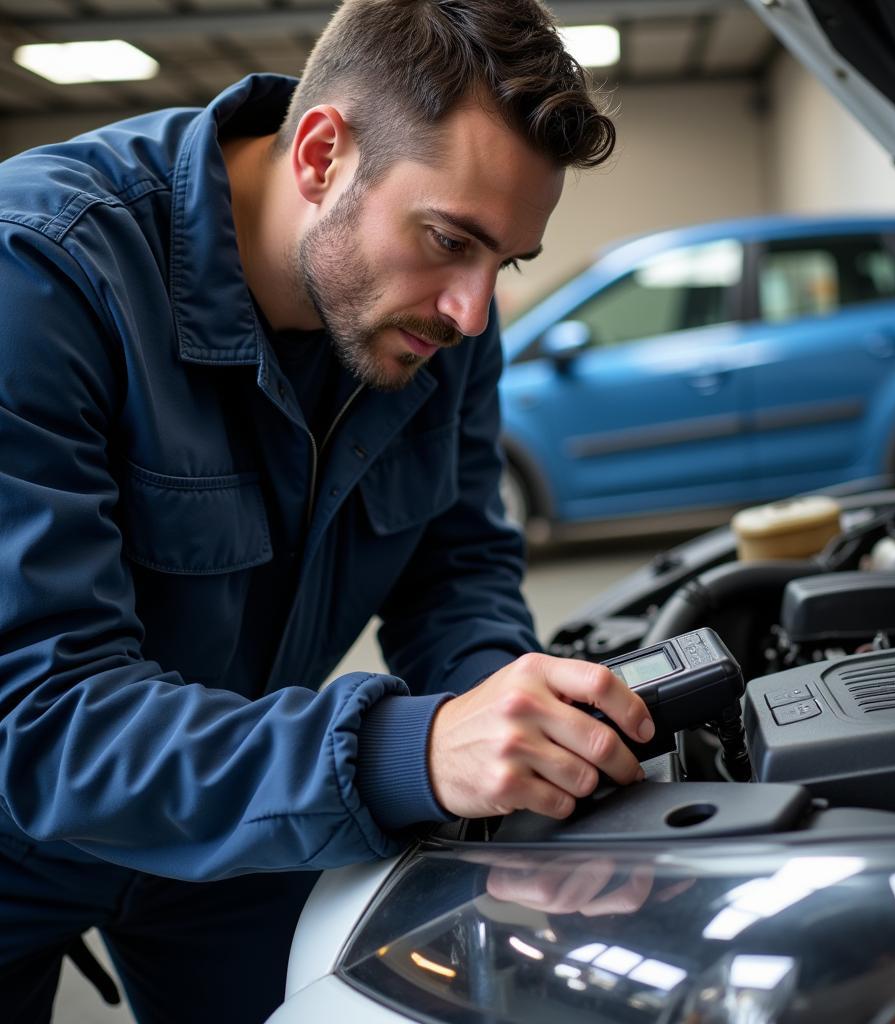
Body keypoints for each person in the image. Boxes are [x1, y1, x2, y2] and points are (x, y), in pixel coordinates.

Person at [0, 0, 656, 1019]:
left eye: (504, 265)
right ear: (320, 154)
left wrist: (514, 740)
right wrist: (409, 748)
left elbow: (457, 568)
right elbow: (41, 723)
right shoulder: (38, 273)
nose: (473, 312)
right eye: (449, 240)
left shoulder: (441, 323)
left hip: (239, 810)